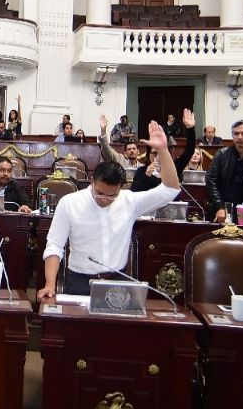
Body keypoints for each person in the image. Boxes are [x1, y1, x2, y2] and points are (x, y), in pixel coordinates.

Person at [38, 121, 180, 298]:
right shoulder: (69, 203)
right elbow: (54, 246)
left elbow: (170, 190)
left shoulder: (129, 201)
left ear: (121, 188)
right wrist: (50, 284)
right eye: (99, 193)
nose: (104, 199)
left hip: (117, 281)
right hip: (80, 282)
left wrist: (163, 150)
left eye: (112, 195)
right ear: (92, 182)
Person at [131, 108, 196, 191]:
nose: (158, 157)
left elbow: (189, 151)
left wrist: (190, 128)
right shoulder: (142, 171)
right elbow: (134, 193)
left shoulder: (174, 168)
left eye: (161, 153)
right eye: (154, 153)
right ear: (148, 155)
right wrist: (147, 175)